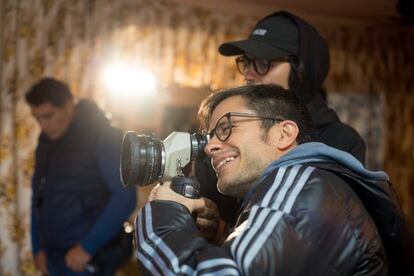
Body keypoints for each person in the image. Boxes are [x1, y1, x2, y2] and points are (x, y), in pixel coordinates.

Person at [135, 85, 413, 275]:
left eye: (226, 128)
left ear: (284, 134)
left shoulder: (301, 184)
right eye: (209, 137)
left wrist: (163, 214)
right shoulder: (311, 186)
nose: (209, 147)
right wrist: (221, 236)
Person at [196, 9, 367, 232]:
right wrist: (210, 222)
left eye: (263, 63)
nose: (248, 74)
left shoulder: (340, 142)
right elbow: (214, 214)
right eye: (246, 62)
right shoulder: (225, 138)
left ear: (301, 70)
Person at [26, 77, 137, 276]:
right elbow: (38, 198)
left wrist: (87, 247)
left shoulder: (104, 136)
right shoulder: (45, 141)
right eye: (37, 118)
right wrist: (37, 248)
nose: (42, 125)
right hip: (53, 258)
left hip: (88, 259)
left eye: (48, 116)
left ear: (68, 106)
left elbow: (125, 197)